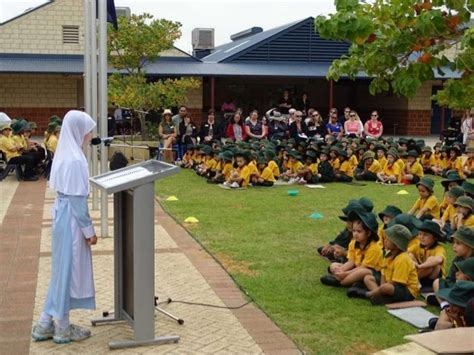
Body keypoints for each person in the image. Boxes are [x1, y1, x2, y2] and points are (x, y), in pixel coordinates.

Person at [32, 110, 98, 344]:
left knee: (60, 271)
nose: (90, 136)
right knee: (68, 272)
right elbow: (78, 202)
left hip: (62, 216)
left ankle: (44, 323)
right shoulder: (76, 160)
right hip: (71, 220)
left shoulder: (64, 154)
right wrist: (89, 231)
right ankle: (62, 327)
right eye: (88, 130)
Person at [321, 209, 382, 289]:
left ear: (368, 233)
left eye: (359, 231)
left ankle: (340, 282)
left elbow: (363, 268)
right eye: (354, 231)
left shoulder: (374, 248)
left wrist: (345, 274)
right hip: (356, 269)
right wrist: (341, 269)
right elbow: (351, 262)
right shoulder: (353, 243)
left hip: (372, 274)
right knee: (334, 265)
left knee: (363, 272)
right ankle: (351, 281)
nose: (355, 234)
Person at [359, 224, 419, 304]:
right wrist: (381, 288)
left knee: (387, 287)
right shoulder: (388, 255)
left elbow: (397, 283)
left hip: (407, 290)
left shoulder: (403, 259)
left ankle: (369, 294)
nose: (385, 240)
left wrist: (384, 288)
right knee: (368, 278)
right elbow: (383, 275)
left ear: (397, 245)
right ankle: (380, 295)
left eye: (389, 239)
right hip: (389, 284)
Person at [429, 226, 474, 307]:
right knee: (437, 283)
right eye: (454, 243)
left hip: (469, 293)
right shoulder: (457, 259)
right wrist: (455, 286)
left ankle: (446, 301)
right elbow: (449, 279)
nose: (454, 246)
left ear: (469, 245)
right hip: (455, 288)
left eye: (458, 243)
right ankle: (444, 305)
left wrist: (463, 283)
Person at [408, 220, 446, 288]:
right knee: (409, 255)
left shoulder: (439, 248)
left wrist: (421, 266)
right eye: (420, 234)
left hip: (433, 277)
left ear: (435, 238)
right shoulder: (417, 246)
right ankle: (416, 280)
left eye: (425, 235)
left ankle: (413, 280)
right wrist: (414, 263)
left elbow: (439, 260)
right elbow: (406, 252)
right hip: (421, 274)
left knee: (431, 263)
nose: (421, 237)